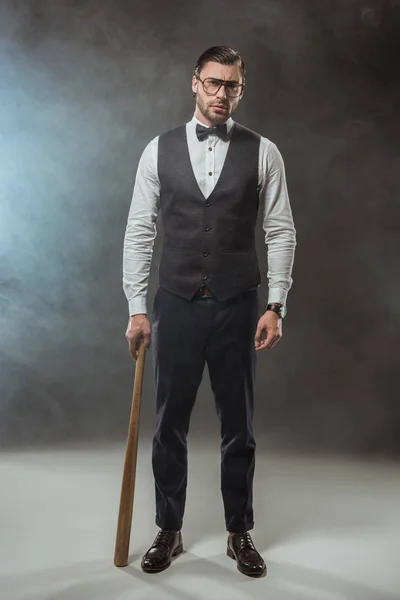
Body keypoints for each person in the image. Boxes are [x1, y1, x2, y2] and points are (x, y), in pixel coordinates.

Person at [122, 45, 296, 577]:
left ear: (243, 89)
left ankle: (238, 531)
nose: (223, 94)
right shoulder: (157, 150)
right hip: (173, 305)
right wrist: (136, 306)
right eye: (214, 83)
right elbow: (139, 229)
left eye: (233, 86)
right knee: (168, 424)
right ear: (194, 82)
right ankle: (168, 529)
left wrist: (276, 304)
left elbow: (280, 229)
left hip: (238, 304)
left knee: (238, 427)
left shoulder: (264, 151)